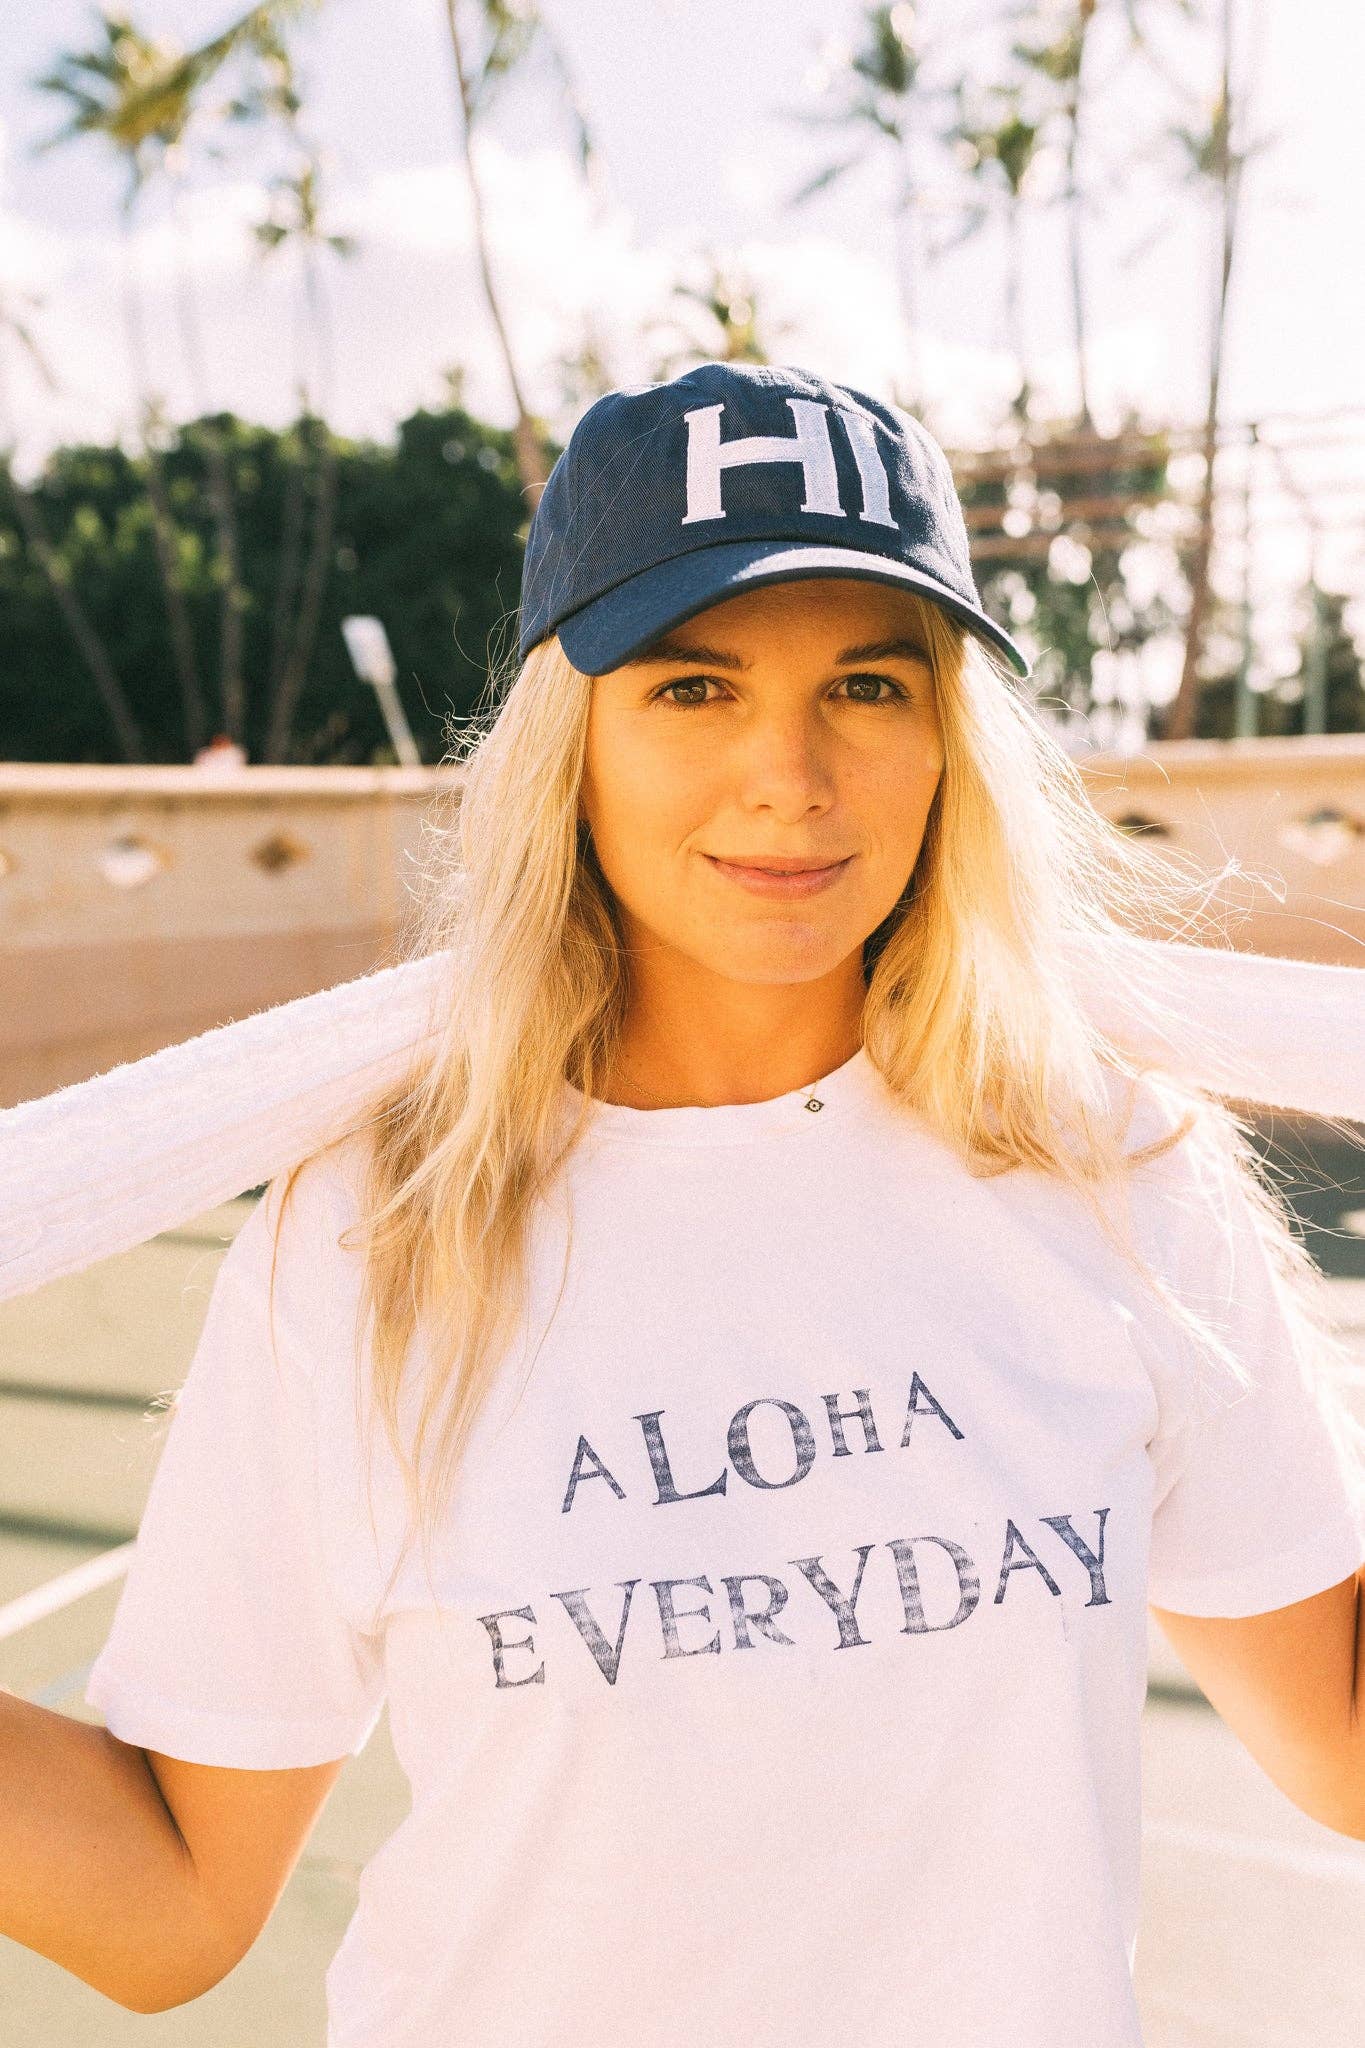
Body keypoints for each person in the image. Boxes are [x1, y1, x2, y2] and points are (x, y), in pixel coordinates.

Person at [5, 360, 1364, 2043]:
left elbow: (1345, 1743)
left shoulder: (1111, 1173)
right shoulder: (378, 1233)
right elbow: (172, 1901)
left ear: (949, 738)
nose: (788, 776)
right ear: (569, 746)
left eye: (867, 685)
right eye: (690, 688)